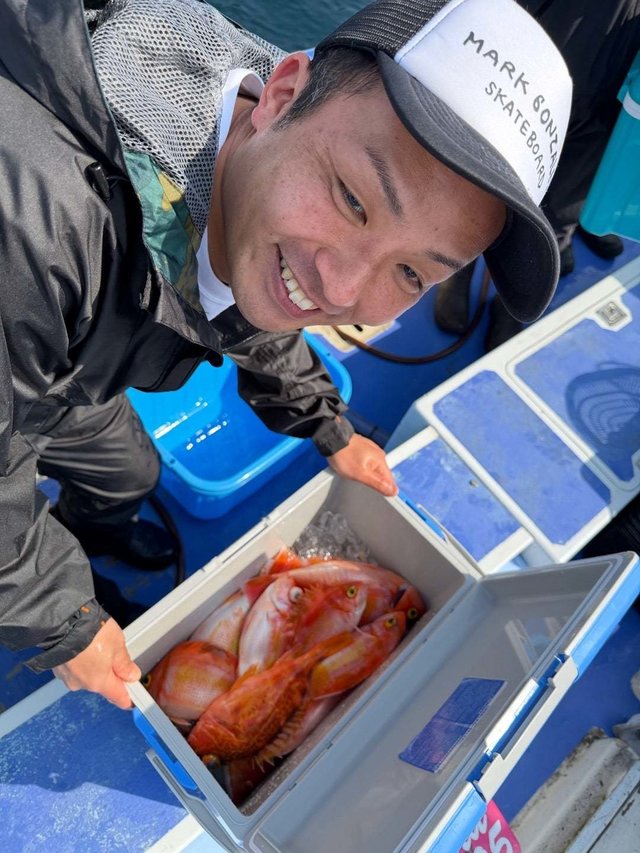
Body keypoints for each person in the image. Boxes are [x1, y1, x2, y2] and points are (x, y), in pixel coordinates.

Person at [0, 0, 572, 709]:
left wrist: (330, 426)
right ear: (281, 93)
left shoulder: (257, 178)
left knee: (129, 473)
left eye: (411, 273)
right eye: (354, 201)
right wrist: (63, 619)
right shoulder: (33, 218)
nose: (339, 286)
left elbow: (253, 309)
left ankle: (87, 545)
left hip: (62, 375)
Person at [434, 0, 640, 349]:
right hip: (549, 37)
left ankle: (520, 291)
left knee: (578, 186)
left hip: (624, 72)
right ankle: (460, 262)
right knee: (486, 166)